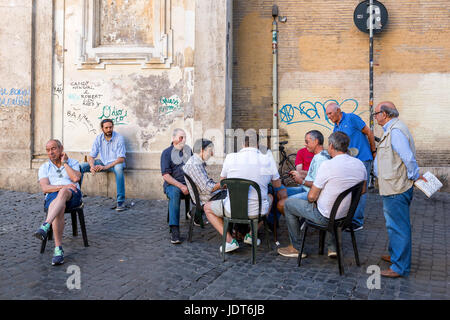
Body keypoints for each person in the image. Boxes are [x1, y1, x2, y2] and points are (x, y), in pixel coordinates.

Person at [279, 132, 367, 259]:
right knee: (330, 203)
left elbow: (311, 197)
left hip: (325, 217)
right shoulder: (359, 164)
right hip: (347, 216)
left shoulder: (327, 165)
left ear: (331, 146)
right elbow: (362, 190)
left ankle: (296, 247)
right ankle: (332, 247)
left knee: (288, 204)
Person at [203, 134, 287, 253]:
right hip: (258, 211)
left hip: (232, 209)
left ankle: (229, 240)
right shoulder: (267, 159)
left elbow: (223, 183)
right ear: (257, 144)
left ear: (243, 144)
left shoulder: (231, 157)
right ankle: (251, 234)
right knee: (270, 197)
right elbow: (277, 185)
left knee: (207, 207)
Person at [373, 101, 426, 278]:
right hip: (392, 185)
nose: (375, 117)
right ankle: (396, 254)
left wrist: (414, 176)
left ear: (385, 115)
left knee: (398, 227)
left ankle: (399, 266)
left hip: (397, 187)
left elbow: (408, 158)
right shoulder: (393, 129)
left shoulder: (396, 131)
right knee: (393, 224)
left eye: (376, 114)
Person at [326, 102, 376, 231]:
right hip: (349, 162)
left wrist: (373, 151)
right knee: (350, 188)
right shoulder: (336, 127)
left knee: (361, 190)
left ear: (338, 111)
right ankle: (349, 218)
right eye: (327, 114)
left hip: (363, 158)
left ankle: (357, 222)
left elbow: (369, 133)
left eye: (330, 113)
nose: (328, 116)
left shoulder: (351, 118)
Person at [33, 139, 82, 266]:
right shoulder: (44, 167)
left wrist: (65, 163)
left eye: (53, 148)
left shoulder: (73, 162)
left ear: (61, 149)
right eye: (48, 150)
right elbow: (45, 188)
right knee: (60, 203)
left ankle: (45, 225)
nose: (51, 152)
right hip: (54, 196)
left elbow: (76, 178)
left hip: (73, 195)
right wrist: (62, 187)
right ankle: (58, 249)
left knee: (64, 193)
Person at [80, 119, 127, 211]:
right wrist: (92, 166)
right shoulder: (98, 138)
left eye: (110, 127)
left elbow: (121, 158)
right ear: (102, 129)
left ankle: (120, 202)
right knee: (80, 166)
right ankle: (76, 197)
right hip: (102, 162)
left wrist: (105, 167)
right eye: (106, 128)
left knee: (119, 169)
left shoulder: (119, 138)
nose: (109, 129)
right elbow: (91, 156)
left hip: (115, 163)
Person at [182, 139, 226, 224]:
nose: (212, 154)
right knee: (234, 198)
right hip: (206, 198)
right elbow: (207, 188)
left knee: (232, 193)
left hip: (207, 195)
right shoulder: (194, 165)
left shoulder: (196, 161)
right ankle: (234, 229)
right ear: (202, 150)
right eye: (210, 151)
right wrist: (222, 184)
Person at [161, 128, 193, 244]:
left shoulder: (188, 151)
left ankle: (196, 214)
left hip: (188, 184)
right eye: (181, 137)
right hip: (172, 185)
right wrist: (181, 186)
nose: (183, 140)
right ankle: (175, 229)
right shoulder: (166, 153)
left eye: (184, 137)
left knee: (204, 189)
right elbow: (166, 176)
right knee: (175, 193)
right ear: (173, 139)